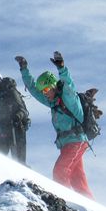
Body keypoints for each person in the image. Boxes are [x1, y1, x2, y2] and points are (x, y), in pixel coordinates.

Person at [15, 51, 94, 199]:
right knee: (78, 180)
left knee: (60, 171)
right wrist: (24, 69)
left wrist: (61, 68)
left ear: (53, 86)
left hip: (76, 140)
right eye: (42, 91)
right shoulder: (52, 103)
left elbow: (68, 83)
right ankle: (91, 209)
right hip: (67, 144)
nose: (44, 93)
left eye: (46, 90)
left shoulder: (68, 97)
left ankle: (65, 202)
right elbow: (33, 89)